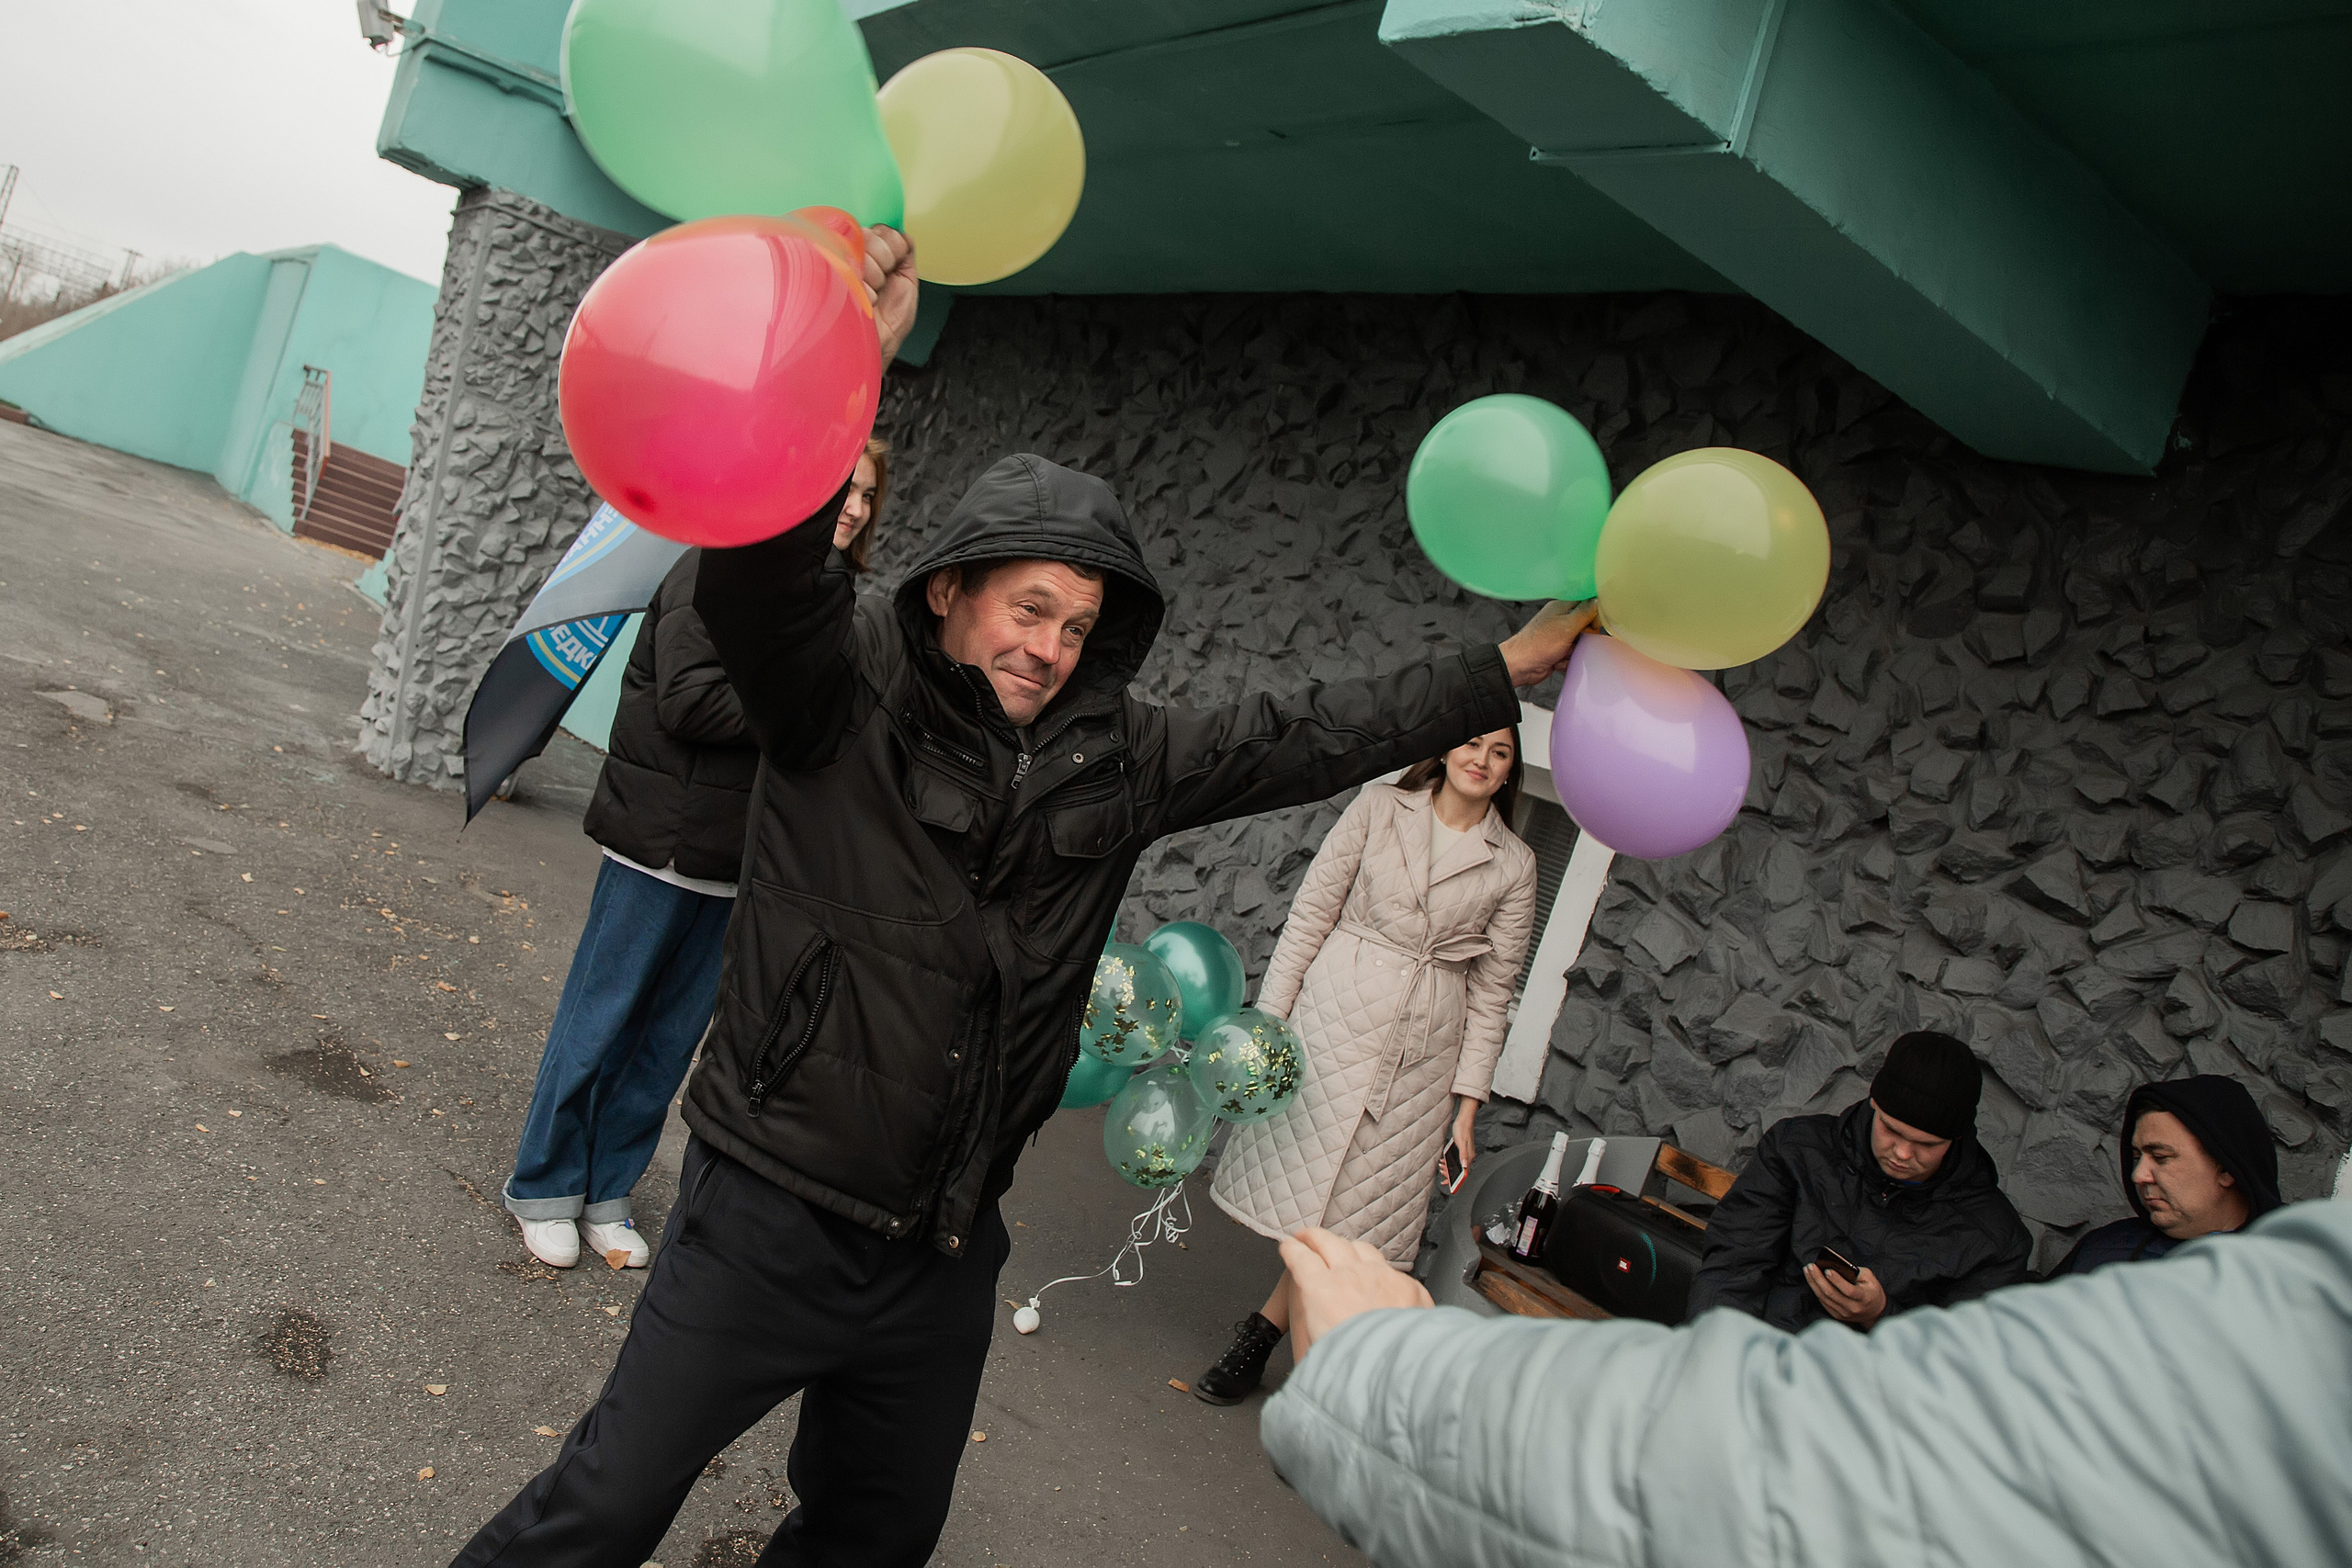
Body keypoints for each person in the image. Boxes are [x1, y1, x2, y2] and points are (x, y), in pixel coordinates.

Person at [450, 224, 1598, 1568]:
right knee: (607, 1505)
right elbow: (763, 580)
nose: (1050, 646)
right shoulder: (842, 689)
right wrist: (846, 378)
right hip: (771, 1210)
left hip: (940, 1245)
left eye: (1077, 625)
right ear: (950, 591)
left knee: (878, 1531)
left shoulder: (1128, 753)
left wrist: (1507, 662)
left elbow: (1311, 728)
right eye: (1028, 608)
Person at [1255, 1201, 2352, 1568]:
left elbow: (1828, 1482)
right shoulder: (1809, 1149)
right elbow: (1731, 1257)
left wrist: (1387, 1369)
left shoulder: (1987, 1230)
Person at [500, 439, 890, 1269]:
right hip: (659, 844)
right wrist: (802, 708)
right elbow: (688, 701)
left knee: (670, 1040)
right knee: (602, 1020)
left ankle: (608, 1191)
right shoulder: (715, 564)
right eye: (840, 487)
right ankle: (543, 1184)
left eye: (866, 493)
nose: (854, 506)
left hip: (737, 862)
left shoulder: (825, 599)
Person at [1194, 730, 1538, 1404]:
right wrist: (1269, 1024)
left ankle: (1263, 1339)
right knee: (1314, 1203)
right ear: (1446, 751)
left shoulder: (1516, 863)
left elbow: (1495, 992)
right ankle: (1289, 1349)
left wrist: (1466, 1107)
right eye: (1472, 743)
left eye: (1499, 753)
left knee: (1355, 1219)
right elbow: (1309, 917)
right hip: (1332, 1019)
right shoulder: (1379, 808)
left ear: (1508, 774)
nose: (1481, 758)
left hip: (1422, 1057)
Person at [1683, 1030, 2031, 1332]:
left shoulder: (1995, 1238)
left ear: (1957, 1138)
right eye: (1892, 1131)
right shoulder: (1797, 1150)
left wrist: (1881, 1316)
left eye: (1926, 1144)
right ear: (1873, 1103)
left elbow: (1960, 1365)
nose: (1903, 1154)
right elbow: (1733, 1267)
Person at [2047, 1075, 2282, 1276]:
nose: (2138, 1175)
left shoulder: (2295, 1270)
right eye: (2137, 1156)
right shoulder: (2101, 1251)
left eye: (2160, 1157)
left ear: (2226, 1169)